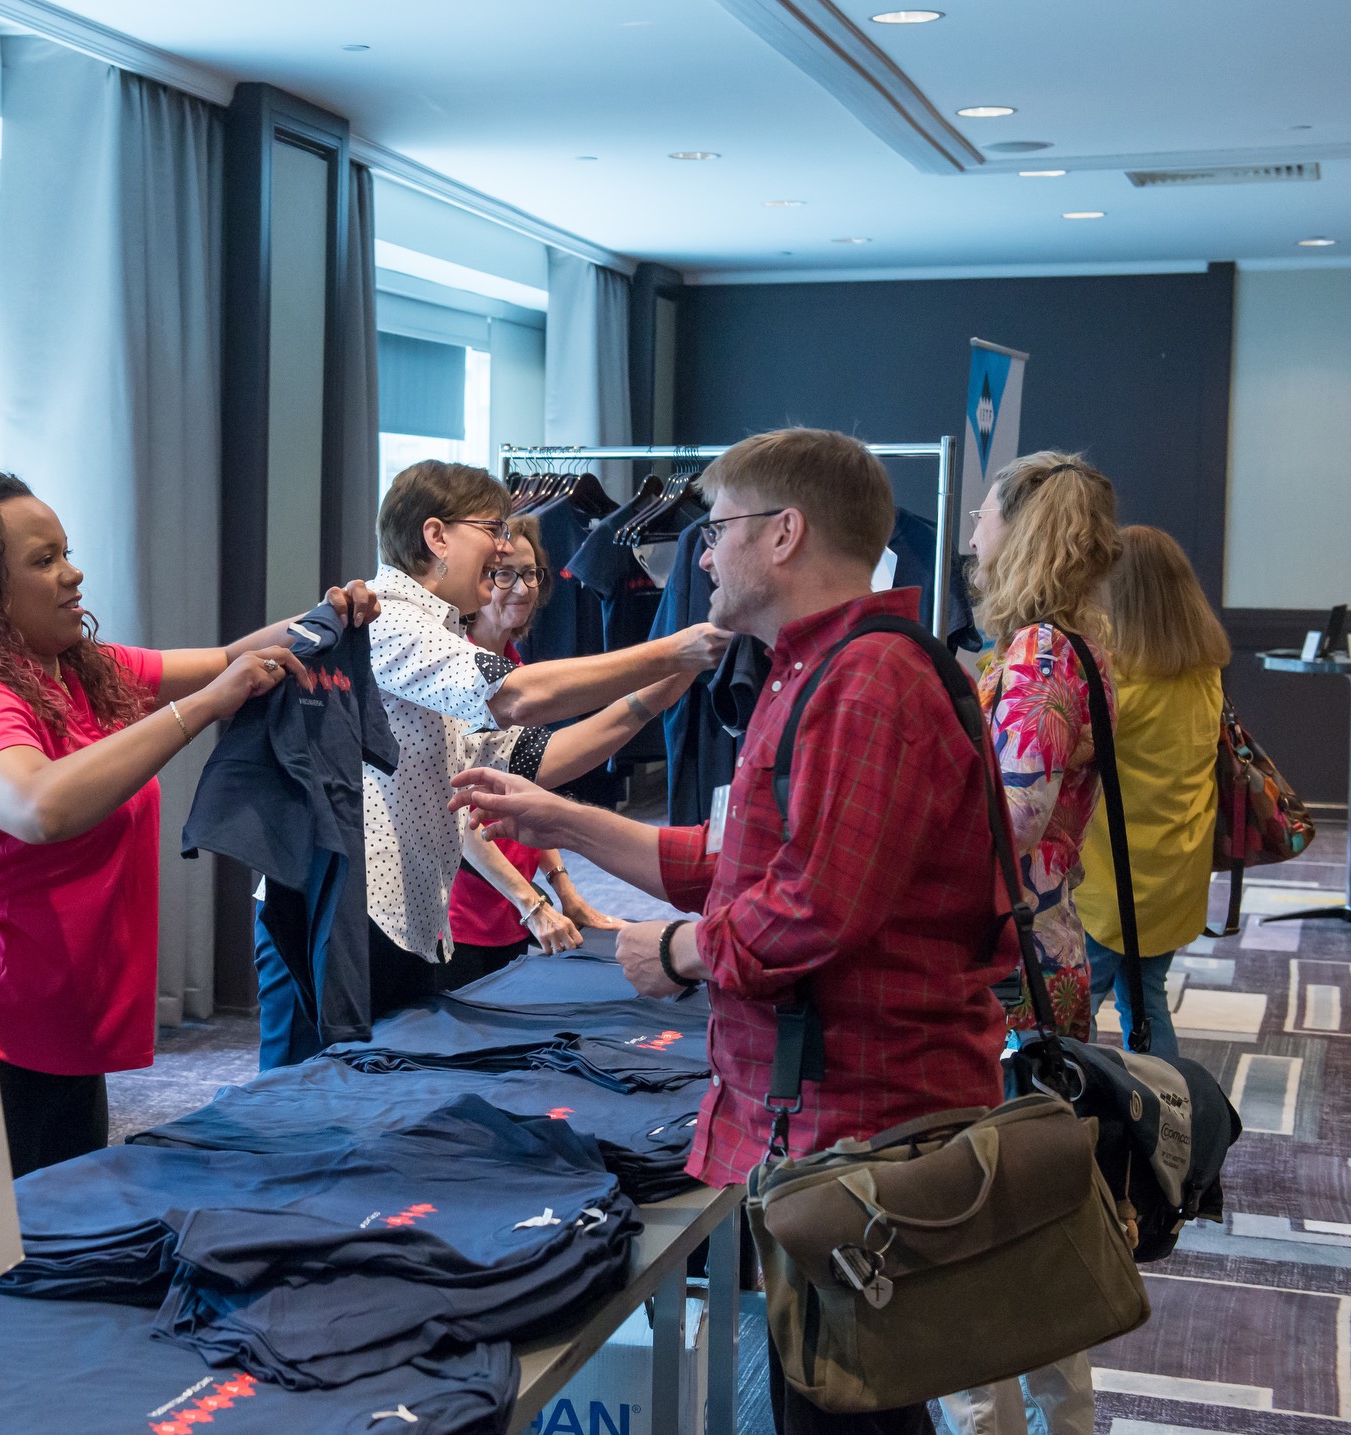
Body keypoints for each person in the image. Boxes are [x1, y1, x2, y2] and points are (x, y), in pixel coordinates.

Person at [451, 428, 1012, 1435]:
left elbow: (813, 911)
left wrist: (671, 952)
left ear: (783, 534)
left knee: (848, 1407)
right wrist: (561, 820)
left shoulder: (863, 683)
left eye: (714, 530)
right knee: (833, 1394)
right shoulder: (817, 671)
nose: (698, 555)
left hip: (861, 1121)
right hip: (829, 1113)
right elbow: (748, 867)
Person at [0, 471, 378, 1176]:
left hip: (71, 1030)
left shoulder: (82, 672)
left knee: (66, 1235)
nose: (73, 575)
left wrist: (323, 619)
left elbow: (229, 662)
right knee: (25, 1253)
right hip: (3, 1038)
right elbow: (39, 806)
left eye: (66, 552)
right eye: (44, 561)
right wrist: (202, 709)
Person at [364, 460, 727, 1017]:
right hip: (352, 916)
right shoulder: (392, 620)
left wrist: (653, 696)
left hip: (406, 918)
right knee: (305, 1091)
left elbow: (534, 761)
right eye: (493, 529)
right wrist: (671, 651)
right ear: (436, 536)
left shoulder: (446, 639)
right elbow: (515, 698)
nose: (504, 548)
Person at [945, 453, 1121, 1435]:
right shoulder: (1069, 646)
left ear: (1019, 530)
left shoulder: (1042, 657)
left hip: (1008, 972)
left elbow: (1008, 823)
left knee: (988, 1215)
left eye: (980, 514)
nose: (970, 530)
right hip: (1041, 954)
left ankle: (1002, 1423)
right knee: (1026, 1212)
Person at [443, 515, 624, 987]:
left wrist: (564, 890)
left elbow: (530, 791)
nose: (521, 588)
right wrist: (533, 904)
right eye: (504, 575)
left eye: (530, 574)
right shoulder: (450, 672)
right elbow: (456, 815)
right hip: (462, 912)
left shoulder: (514, 664)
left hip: (512, 905)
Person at [1075, 525, 1229, 1058]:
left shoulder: (1117, 680)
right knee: (1148, 1000)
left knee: (1077, 1005)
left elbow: (1061, 754)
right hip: (1176, 874)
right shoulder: (1205, 671)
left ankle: (1076, 1119)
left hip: (1110, 881)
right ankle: (1168, 1115)